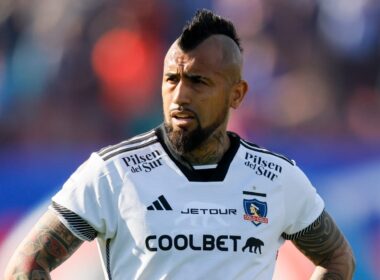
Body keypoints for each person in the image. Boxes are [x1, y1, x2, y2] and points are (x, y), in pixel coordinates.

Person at [5, 9, 355, 280]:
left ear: (237, 94)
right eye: (171, 79)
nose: (180, 95)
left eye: (199, 82)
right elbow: (26, 264)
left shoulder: (276, 177)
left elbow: (338, 259)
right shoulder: (113, 172)